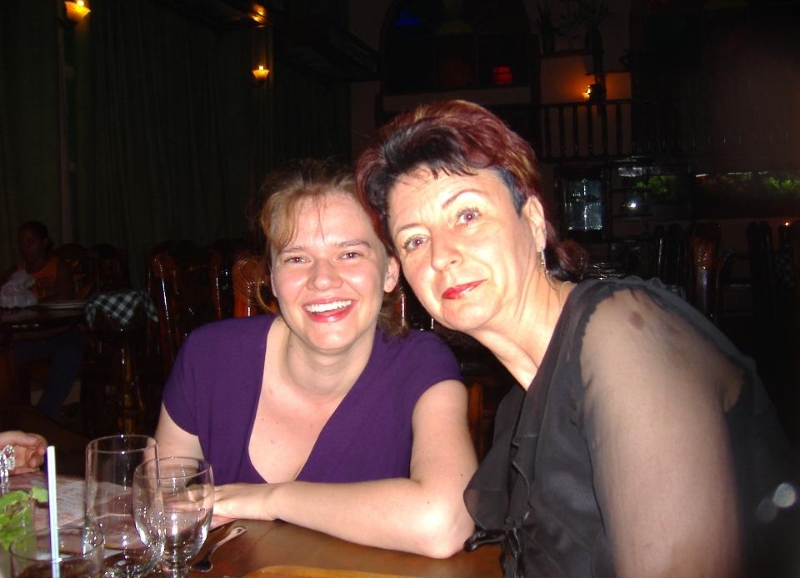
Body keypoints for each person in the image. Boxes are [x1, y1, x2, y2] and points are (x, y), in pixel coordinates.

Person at [355, 100, 800, 577]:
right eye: (415, 240)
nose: (441, 255)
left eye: (467, 215)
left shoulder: (624, 334)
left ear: (532, 221)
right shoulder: (518, 409)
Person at [154, 159, 477, 558]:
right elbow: (156, 499)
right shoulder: (209, 358)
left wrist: (268, 499)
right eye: (296, 258)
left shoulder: (421, 365)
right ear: (272, 278)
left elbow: (444, 522)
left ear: (390, 272)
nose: (323, 279)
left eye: (350, 254)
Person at [1, 221, 86, 421]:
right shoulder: (16, 273)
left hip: (58, 333)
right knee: (5, 356)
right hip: (27, 337)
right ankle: (11, 417)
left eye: (30, 242)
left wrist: (32, 302)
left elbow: (64, 297)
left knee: (73, 347)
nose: (24, 248)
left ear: (44, 243)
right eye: (21, 243)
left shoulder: (58, 267)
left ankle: (44, 416)